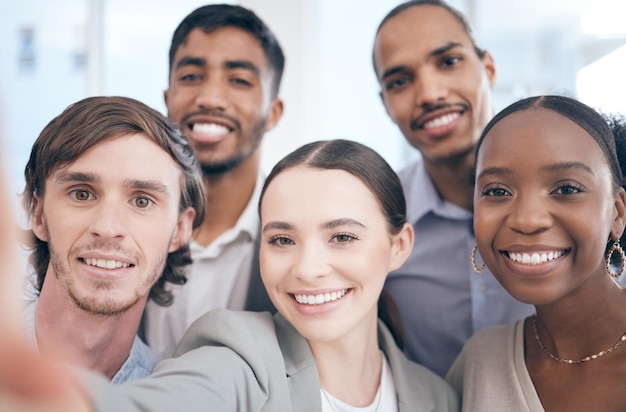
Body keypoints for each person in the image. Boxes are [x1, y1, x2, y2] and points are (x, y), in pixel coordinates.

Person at [0, 139, 461, 411]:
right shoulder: (238, 359)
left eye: (341, 237)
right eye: (282, 239)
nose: (308, 268)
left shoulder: (437, 396)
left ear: (398, 247)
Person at [371, 0, 533, 376]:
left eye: (448, 62)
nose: (429, 93)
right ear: (385, 103)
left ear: (488, 69)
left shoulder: (581, 199)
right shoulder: (378, 216)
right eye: (399, 81)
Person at [446, 95, 626, 411]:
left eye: (567, 189)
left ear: (617, 213)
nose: (527, 220)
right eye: (497, 191)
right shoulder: (479, 363)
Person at [20, 96, 205, 383]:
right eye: (82, 194)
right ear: (40, 215)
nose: (108, 227)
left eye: (143, 201)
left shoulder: (171, 401)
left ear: (180, 228)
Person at [143, 3, 284, 358]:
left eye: (238, 80)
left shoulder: (303, 239)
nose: (210, 99)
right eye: (191, 76)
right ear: (167, 100)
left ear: (273, 112)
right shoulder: (127, 224)